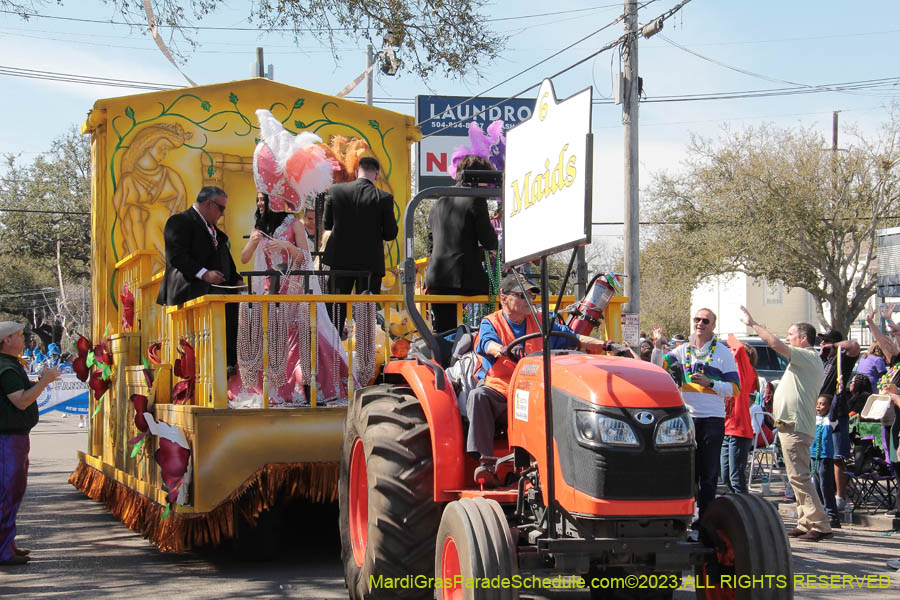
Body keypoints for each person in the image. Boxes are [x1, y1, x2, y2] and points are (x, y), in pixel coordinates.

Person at [467, 274, 608, 487]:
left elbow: (574, 338)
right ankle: (486, 463)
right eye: (522, 296)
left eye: (531, 296)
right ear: (504, 298)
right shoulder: (492, 322)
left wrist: (607, 345)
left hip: (534, 392)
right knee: (479, 396)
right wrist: (503, 350)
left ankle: (568, 465)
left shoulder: (542, 321)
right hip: (503, 392)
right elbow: (486, 344)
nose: (528, 301)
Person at [236, 193, 349, 405]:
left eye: (263, 199)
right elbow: (244, 258)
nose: (259, 203)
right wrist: (253, 241)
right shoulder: (259, 228)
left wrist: (287, 247)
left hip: (294, 288)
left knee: (299, 337)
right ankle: (274, 389)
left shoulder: (294, 224)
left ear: (277, 200)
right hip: (271, 291)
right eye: (258, 199)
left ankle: (300, 390)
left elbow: (305, 258)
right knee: (272, 337)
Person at [739, 306, 831, 541]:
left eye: (791, 334)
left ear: (803, 338)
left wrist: (754, 324)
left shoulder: (807, 355)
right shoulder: (803, 360)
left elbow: (775, 345)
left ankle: (820, 524)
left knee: (799, 476)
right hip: (791, 425)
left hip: (796, 426)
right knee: (795, 476)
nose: (787, 338)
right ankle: (804, 520)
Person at [651, 309, 740, 520]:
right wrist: (657, 347)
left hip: (712, 419)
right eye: (697, 319)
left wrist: (711, 383)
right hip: (687, 418)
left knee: (708, 475)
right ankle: (684, 518)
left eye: (705, 321)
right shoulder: (684, 349)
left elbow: (735, 388)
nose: (700, 323)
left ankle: (705, 522)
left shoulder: (723, 352)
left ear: (713, 326)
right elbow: (657, 367)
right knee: (685, 472)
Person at [156, 186, 244, 371]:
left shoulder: (214, 231)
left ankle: (231, 361)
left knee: (239, 301)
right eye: (221, 208)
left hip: (215, 289)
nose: (222, 214)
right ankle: (220, 363)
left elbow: (225, 258)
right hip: (189, 287)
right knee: (218, 297)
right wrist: (204, 273)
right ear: (209, 204)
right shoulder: (179, 222)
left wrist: (236, 278)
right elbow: (176, 256)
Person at [0, 321, 61, 565]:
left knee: (11, 493)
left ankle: (7, 544)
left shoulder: (10, 364)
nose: (25, 339)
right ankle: (4, 551)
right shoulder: (6, 367)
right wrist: (44, 381)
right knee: (7, 493)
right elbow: (21, 401)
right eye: (19, 335)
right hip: (8, 440)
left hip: (13, 438)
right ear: (6, 341)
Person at [425, 154, 499, 333]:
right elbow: (488, 239)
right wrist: (491, 250)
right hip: (463, 277)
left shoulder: (439, 201)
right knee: (503, 299)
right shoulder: (475, 198)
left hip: (436, 277)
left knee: (444, 331)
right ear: (478, 178)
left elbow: (431, 243)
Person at [323, 156, 398, 334]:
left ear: (357, 172)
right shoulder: (384, 197)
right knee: (366, 315)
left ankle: (333, 353)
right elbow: (390, 234)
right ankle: (366, 356)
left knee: (334, 312)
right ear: (377, 175)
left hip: (339, 262)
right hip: (369, 265)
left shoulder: (335, 191)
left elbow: (327, 225)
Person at [816, 328, 859, 514]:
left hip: (836, 411)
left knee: (837, 457)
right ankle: (821, 496)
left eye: (826, 342)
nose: (823, 345)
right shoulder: (822, 361)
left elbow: (854, 346)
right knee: (820, 455)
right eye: (822, 342)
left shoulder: (843, 360)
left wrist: (834, 346)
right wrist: (822, 352)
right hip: (819, 412)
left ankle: (840, 497)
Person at [720, 336, 758, 494]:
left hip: (739, 431)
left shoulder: (746, 371)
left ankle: (744, 509)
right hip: (726, 430)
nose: (729, 352)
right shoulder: (730, 374)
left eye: (732, 351)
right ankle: (737, 504)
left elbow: (740, 349)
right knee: (725, 476)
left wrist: (719, 337)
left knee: (736, 477)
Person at [811, 394, 841, 528]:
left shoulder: (831, 420)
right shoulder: (814, 419)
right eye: (818, 403)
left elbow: (835, 406)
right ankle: (821, 514)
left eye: (822, 404)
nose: (819, 406)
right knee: (816, 486)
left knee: (825, 486)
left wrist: (838, 394)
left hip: (825, 457)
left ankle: (832, 516)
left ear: (829, 407)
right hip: (813, 456)